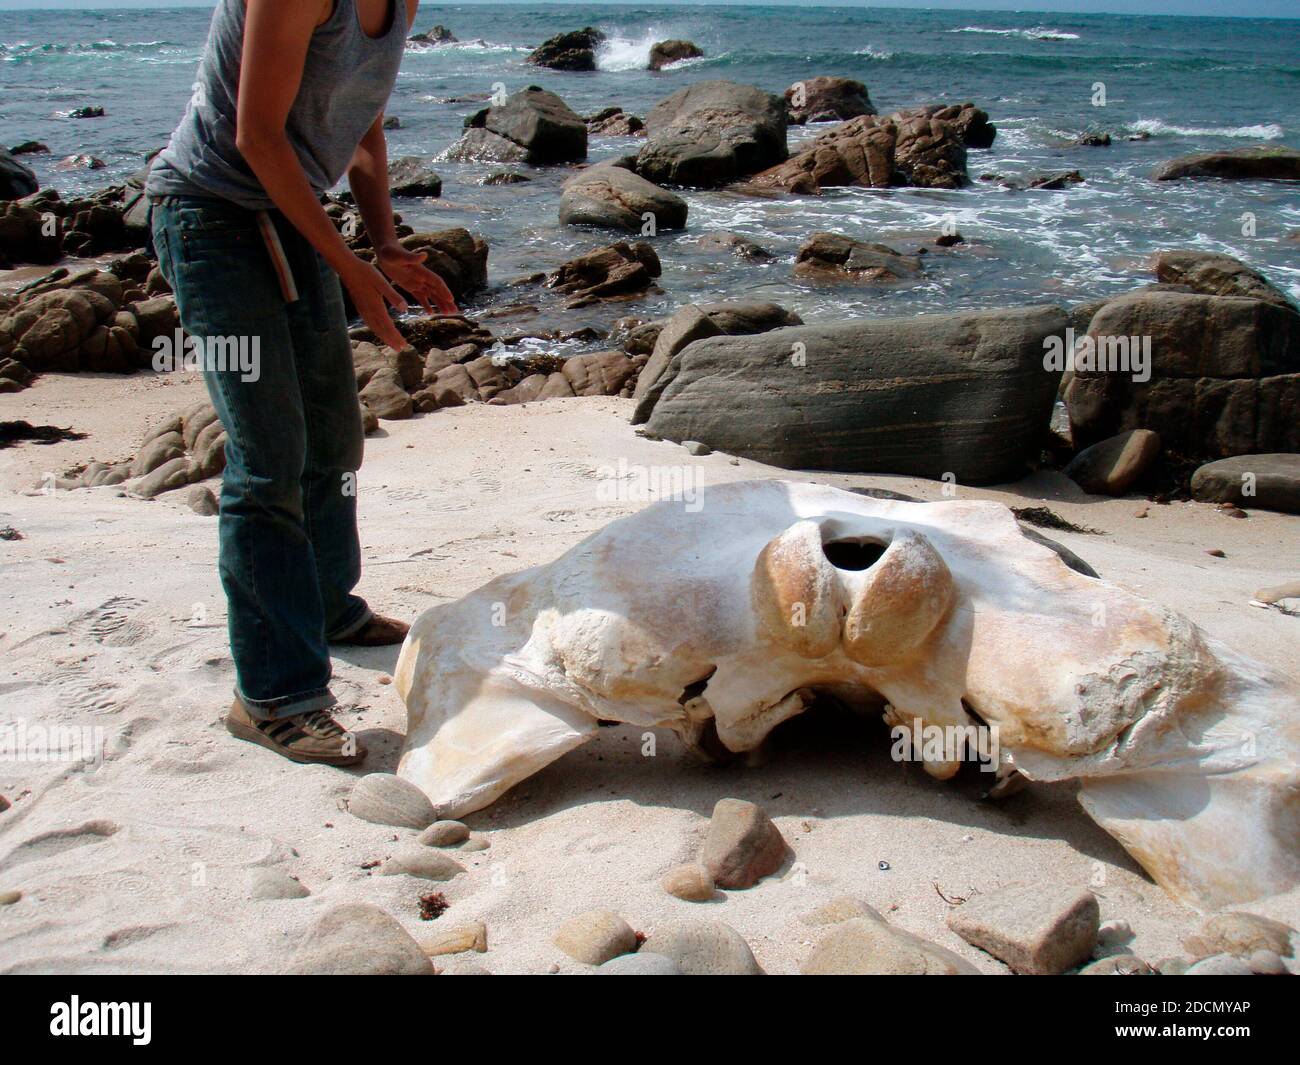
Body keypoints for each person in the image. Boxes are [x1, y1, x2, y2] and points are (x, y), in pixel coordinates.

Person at [146, 0, 456, 766]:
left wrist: (381, 243)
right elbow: (255, 134)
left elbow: (363, 119)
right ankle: (274, 696)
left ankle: (324, 604)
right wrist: (344, 264)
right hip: (210, 214)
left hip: (289, 210)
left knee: (333, 438)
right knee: (268, 460)